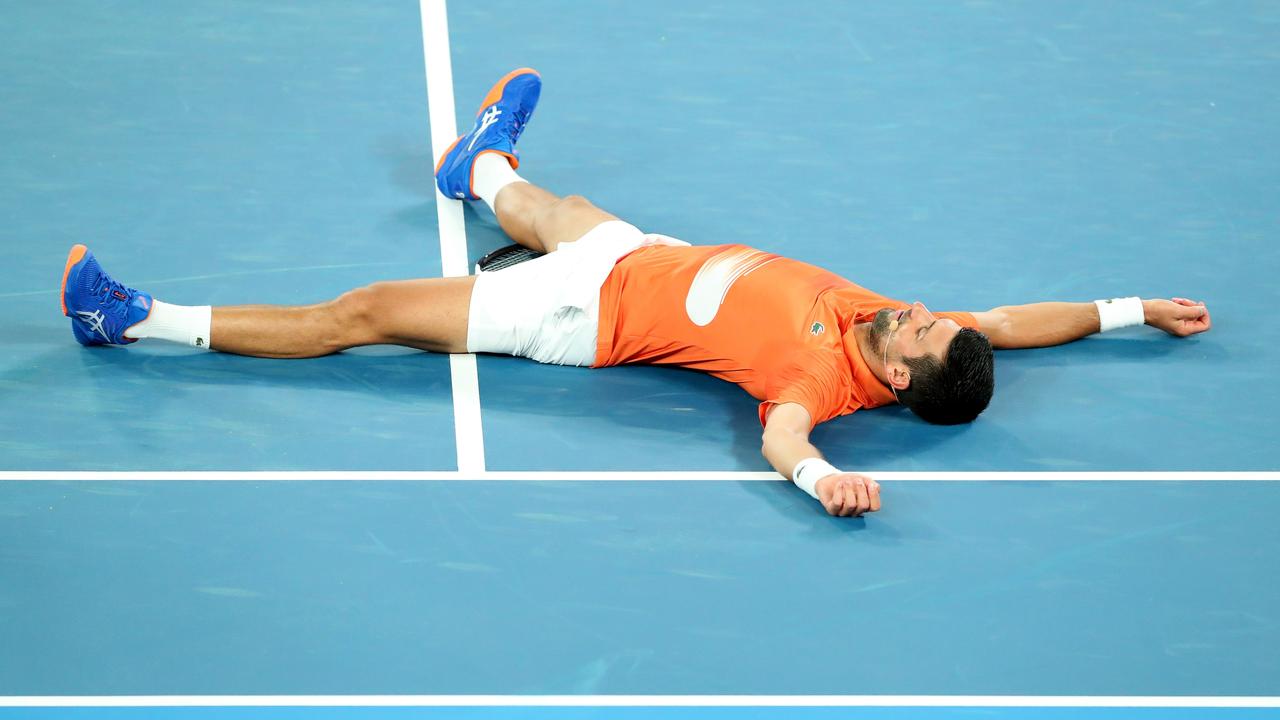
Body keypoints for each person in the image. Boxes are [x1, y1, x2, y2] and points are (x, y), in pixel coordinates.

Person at [59, 68, 1213, 517]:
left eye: (917, 329)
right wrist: (1129, 308)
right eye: (928, 316)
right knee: (529, 204)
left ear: (897, 379)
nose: (921, 309)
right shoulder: (910, 330)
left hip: (577, 317)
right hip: (635, 254)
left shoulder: (817, 377)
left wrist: (819, 483)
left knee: (357, 315)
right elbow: (1013, 324)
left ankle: (133, 319)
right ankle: (479, 167)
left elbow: (781, 436)